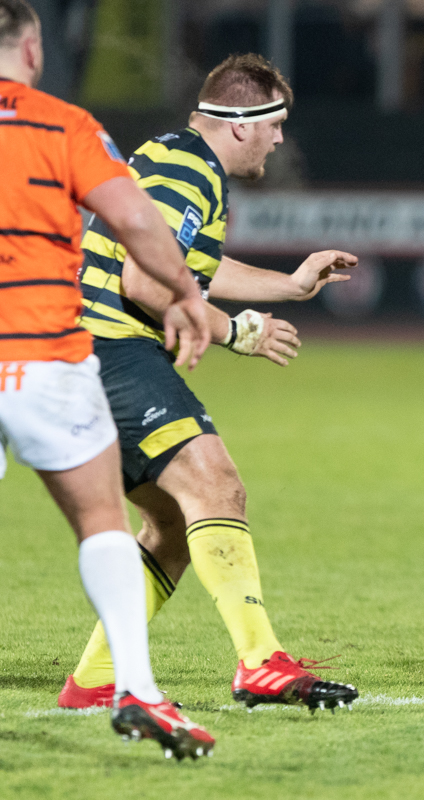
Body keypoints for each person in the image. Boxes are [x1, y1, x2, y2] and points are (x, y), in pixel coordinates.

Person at [57, 53, 360, 712]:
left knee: (170, 523)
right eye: (275, 124)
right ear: (242, 123)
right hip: (115, 353)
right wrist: (233, 332)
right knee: (216, 484)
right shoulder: (191, 171)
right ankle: (260, 662)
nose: (280, 140)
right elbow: (143, 281)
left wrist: (289, 285)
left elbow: (186, 262)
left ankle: (94, 680)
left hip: (92, 354)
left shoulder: (172, 157)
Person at [0, 0, 214, 757]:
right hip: (46, 357)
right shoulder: (65, 124)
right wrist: (187, 296)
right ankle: (136, 690)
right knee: (102, 524)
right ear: (30, 48)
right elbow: (136, 222)